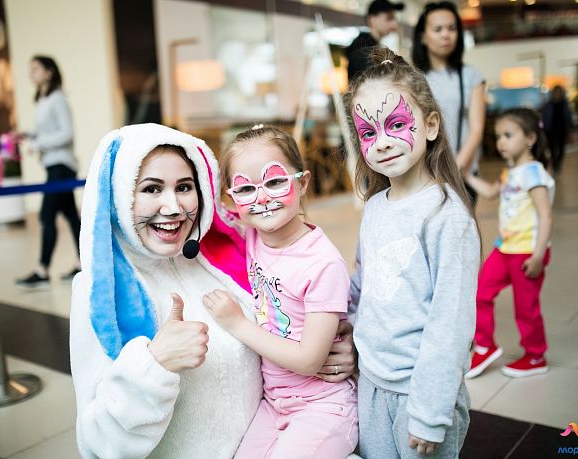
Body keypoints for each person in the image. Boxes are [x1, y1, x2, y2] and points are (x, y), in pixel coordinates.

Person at [69, 123, 356, 458]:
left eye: (184, 187)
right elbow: (95, 443)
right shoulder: (101, 294)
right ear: (119, 195)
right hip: (271, 420)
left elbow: (303, 313)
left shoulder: (229, 248)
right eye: (151, 189)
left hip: (309, 416)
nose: (172, 207)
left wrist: (350, 343)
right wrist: (153, 363)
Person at [347, 48, 480, 457]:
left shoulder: (446, 216)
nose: (383, 143)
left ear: (431, 125)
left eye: (396, 124)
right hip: (372, 382)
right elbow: (361, 287)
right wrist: (343, 334)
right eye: (368, 133)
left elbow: (451, 324)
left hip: (420, 393)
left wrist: (429, 412)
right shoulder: (375, 206)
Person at [203, 125, 359, 458]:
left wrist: (237, 324)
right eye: (246, 189)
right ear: (231, 198)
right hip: (273, 405)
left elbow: (309, 359)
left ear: (302, 183)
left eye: (275, 182)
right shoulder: (252, 234)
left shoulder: (322, 263)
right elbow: (205, 207)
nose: (262, 198)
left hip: (323, 408)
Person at [465, 108, 554, 380]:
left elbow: (546, 214)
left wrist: (538, 255)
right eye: (498, 136)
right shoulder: (510, 172)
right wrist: (467, 175)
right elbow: (491, 192)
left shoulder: (534, 173)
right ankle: (485, 346)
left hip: (527, 251)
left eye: (508, 135)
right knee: (480, 292)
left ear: (530, 139)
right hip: (505, 248)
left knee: (526, 308)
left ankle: (536, 356)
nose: (501, 142)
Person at [16, 55, 81, 290]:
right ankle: (84, 262)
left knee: (46, 215)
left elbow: (66, 133)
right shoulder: (43, 100)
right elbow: (48, 131)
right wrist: (28, 135)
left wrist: (38, 144)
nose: (30, 74)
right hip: (54, 165)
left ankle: (42, 270)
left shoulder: (57, 98)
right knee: (71, 216)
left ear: (49, 72)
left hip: (61, 166)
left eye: (35, 69)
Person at [412, 1, 486, 205]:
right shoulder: (412, 78)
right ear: (423, 36)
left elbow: (477, 129)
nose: (446, 35)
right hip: (423, 176)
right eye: (438, 29)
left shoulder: (471, 76)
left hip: (462, 174)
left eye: (452, 28)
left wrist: (455, 170)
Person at [345, 0, 405, 82]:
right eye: (389, 18)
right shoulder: (363, 48)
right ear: (372, 20)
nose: (395, 24)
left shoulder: (368, 45)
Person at [542, 85, 574, 175]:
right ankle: (554, 164)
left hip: (562, 130)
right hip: (551, 130)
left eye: (559, 93)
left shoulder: (565, 104)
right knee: (552, 149)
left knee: (561, 148)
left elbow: (568, 117)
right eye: (555, 92)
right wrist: (544, 129)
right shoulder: (548, 105)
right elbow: (544, 118)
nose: (557, 94)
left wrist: (572, 129)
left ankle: (557, 164)